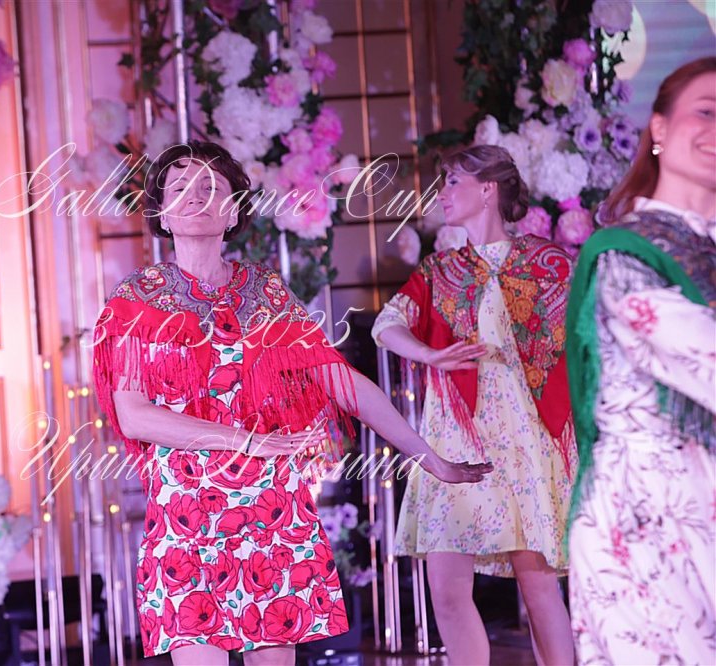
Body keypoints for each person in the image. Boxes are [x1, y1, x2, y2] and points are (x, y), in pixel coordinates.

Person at [92, 140, 492, 666]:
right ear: (161, 214)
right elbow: (133, 415)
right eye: (180, 186)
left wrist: (428, 457)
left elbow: (343, 383)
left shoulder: (265, 293)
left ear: (232, 210)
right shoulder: (137, 298)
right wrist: (245, 440)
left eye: (211, 186)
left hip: (270, 512)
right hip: (187, 517)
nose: (196, 196)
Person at [373, 145, 577, 666]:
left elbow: (584, 335)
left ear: (488, 189)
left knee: (538, 588)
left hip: (526, 439)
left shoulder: (548, 263)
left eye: (452, 181)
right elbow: (386, 325)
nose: (441, 193)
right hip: (455, 438)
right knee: (445, 589)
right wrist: (430, 354)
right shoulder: (441, 270)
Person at [565, 57, 715, 664]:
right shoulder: (624, 252)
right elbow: (700, 352)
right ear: (659, 127)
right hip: (646, 515)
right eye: (705, 112)